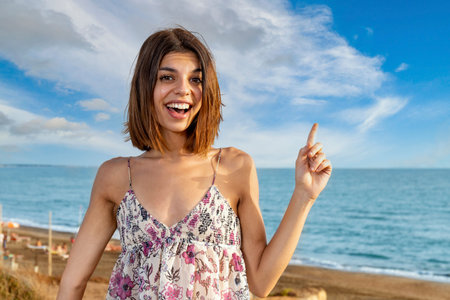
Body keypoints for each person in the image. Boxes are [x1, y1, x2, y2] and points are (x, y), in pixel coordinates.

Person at [57, 27, 331, 299]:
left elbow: (260, 282)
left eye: (196, 80)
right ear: (145, 86)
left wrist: (304, 196)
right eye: (167, 77)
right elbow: (72, 284)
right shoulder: (115, 175)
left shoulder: (235, 166)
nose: (183, 90)